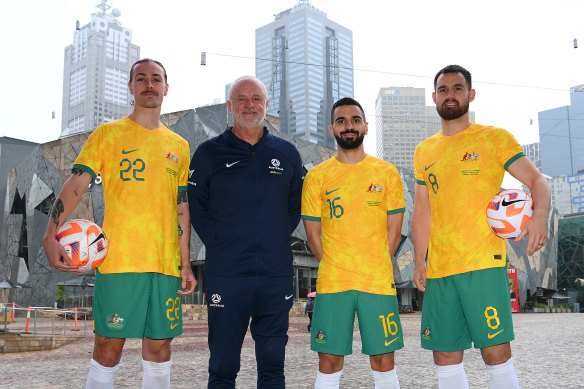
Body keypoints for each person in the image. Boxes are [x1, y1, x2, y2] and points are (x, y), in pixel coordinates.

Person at [43, 58, 196, 389]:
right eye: (141, 78)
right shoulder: (108, 134)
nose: (149, 84)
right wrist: (49, 235)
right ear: (131, 87)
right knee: (109, 349)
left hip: (165, 265)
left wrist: (185, 262)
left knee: (159, 349)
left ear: (166, 88)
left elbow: (180, 207)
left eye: (156, 79)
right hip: (118, 262)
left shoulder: (179, 146)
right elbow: (76, 184)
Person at [412, 64, 550, 389]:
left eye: (457, 88)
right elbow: (422, 209)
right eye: (444, 89)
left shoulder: (493, 138)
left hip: (482, 264)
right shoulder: (424, 151)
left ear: (470, 95)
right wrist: (420, 259)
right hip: (441, 269)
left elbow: (537, 180)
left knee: (495, 352)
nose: (450, 95)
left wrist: (540, 215)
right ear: (434, 97)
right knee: (444, 356)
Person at [188, 75, 304, 388]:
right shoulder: (209, 153)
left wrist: (275, 235)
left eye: (256, 98)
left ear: (266, 105)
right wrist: (220, 242)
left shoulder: (288, 154)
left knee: (272, 367)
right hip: (227, 274)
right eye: (241, 98)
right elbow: (197, 207)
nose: (249, 105)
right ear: (230, 106)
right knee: (223, 367)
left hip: (274, 274)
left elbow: (295, 207)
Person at [302, 97, 406, 389]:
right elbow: (313, 235)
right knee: (329, 361)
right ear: (331, 129)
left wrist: (373, 265)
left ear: (366, 126)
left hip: (377, 282)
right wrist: (336, 264)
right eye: (341, 121)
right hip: (334, 283)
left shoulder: (387, 173)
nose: (349, 126)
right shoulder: (316, 176)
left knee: (384, 360)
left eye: (355, 120)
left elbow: (393, 233)